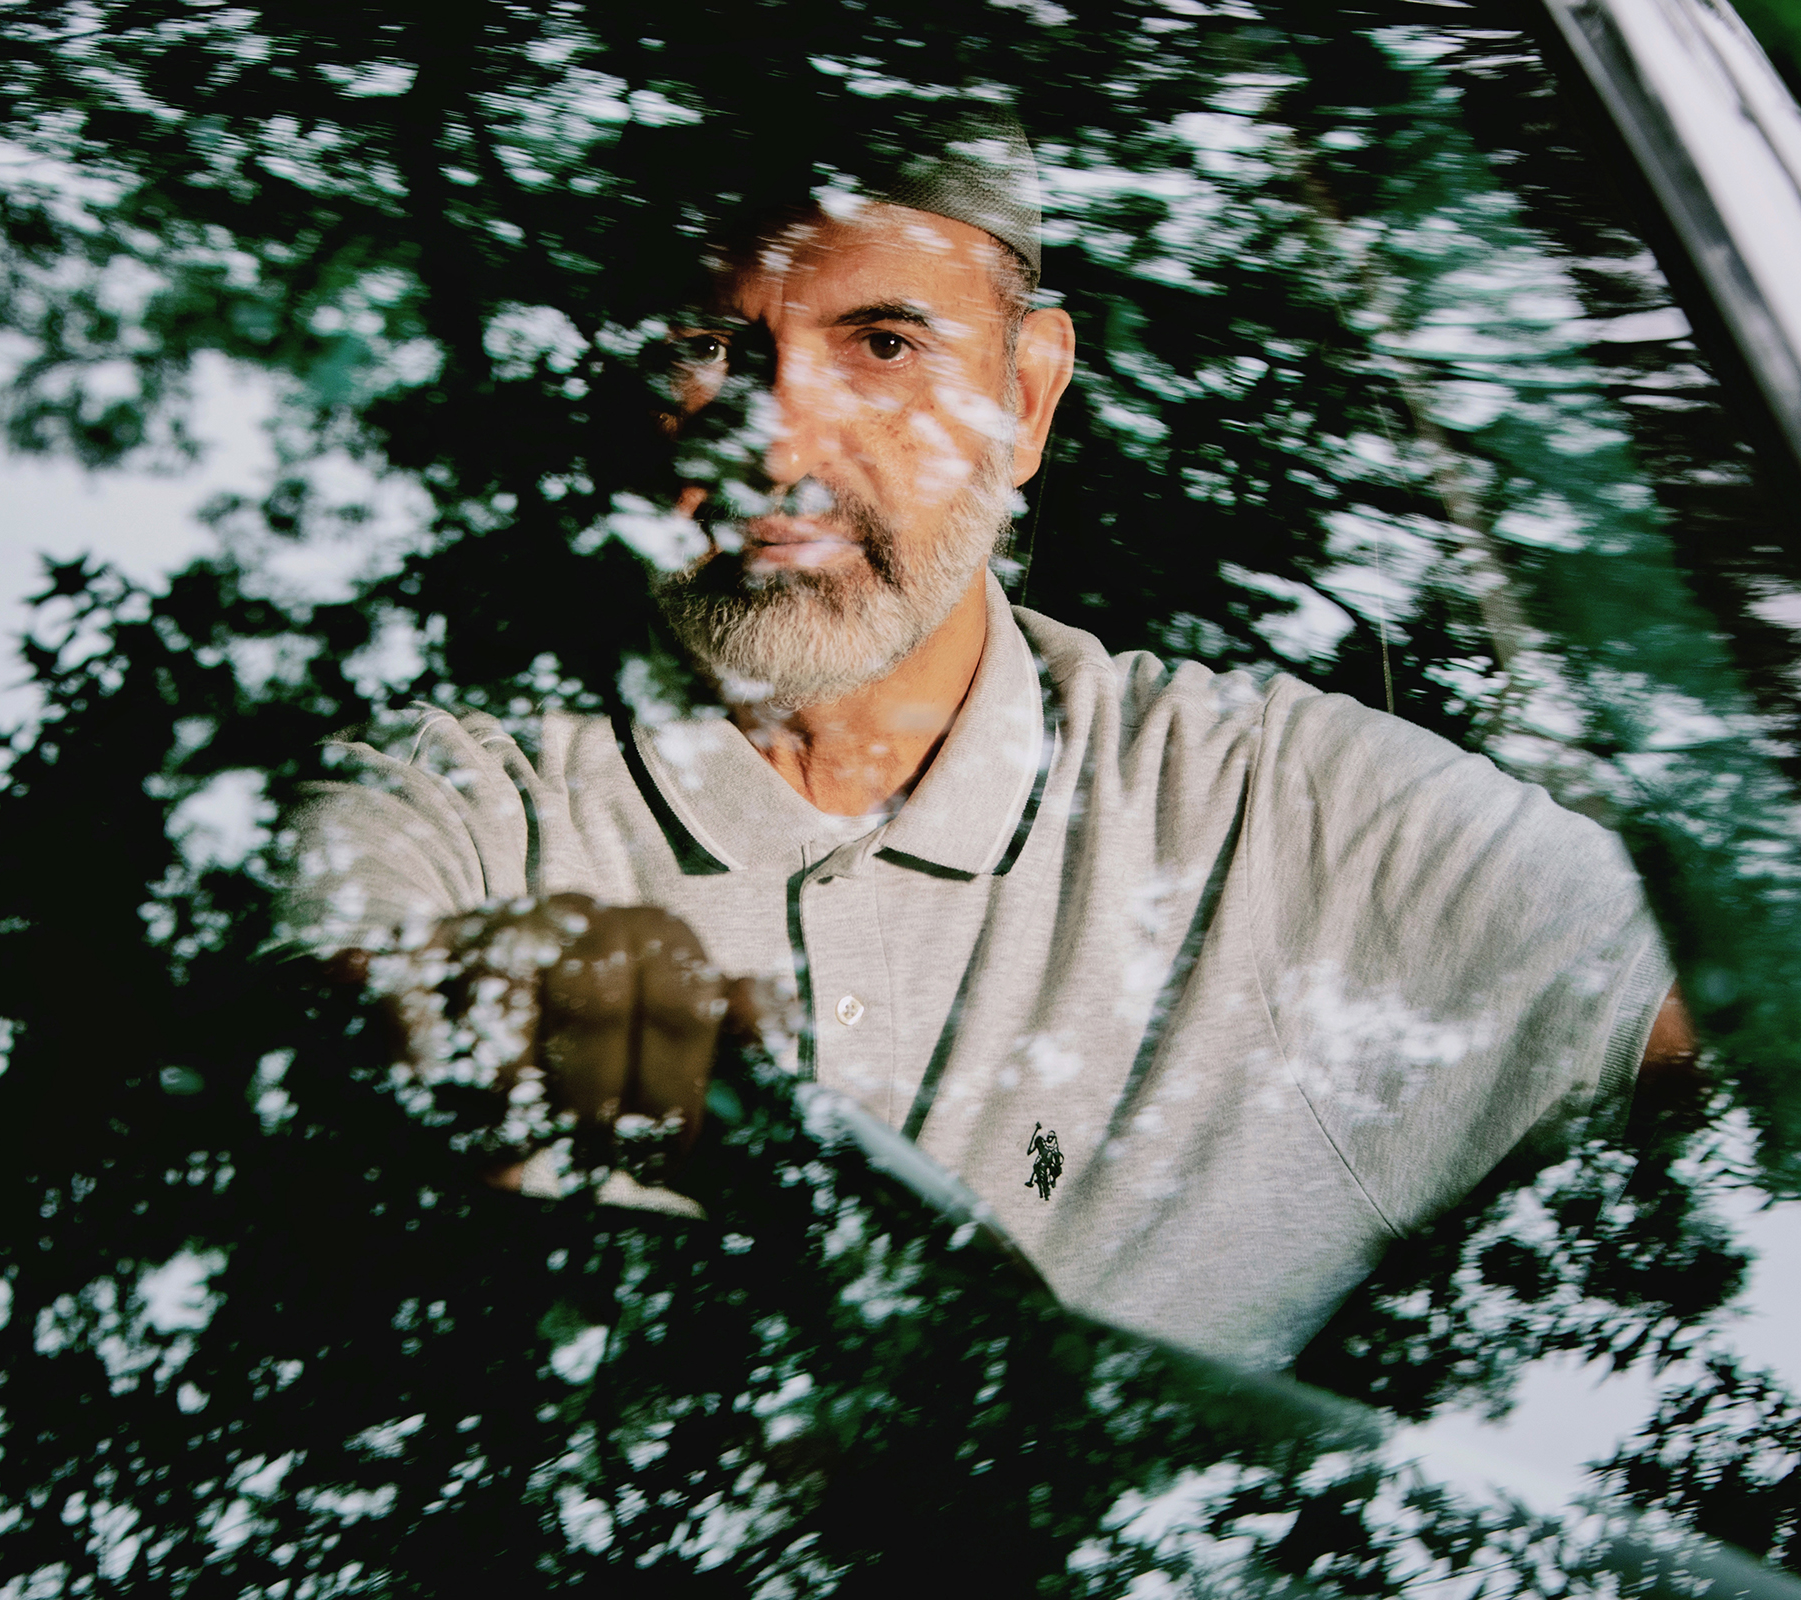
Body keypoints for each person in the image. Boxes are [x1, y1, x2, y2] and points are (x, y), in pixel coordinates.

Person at [288, 108, 1695, 1371]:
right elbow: (311, 1006)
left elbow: (1747, 1022)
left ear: (1025, 398)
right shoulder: (474, 808)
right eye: (711, 347)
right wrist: (467, 1003)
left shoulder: (1278, 812)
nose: (781, 448)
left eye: (884, 346)